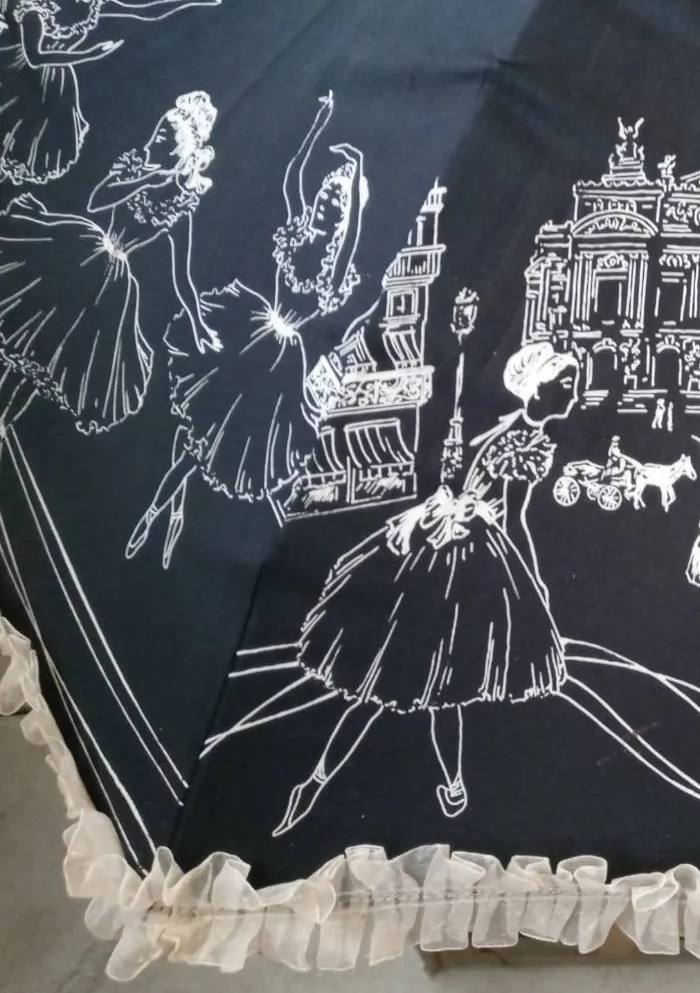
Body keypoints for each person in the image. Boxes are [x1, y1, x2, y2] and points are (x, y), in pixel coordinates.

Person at [273, 342, 580, 835]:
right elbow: (514, 521)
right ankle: (440, 786)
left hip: (447, 549)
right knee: (435, 684)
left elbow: (476, 492)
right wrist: (534, 582)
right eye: (566, 383)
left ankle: (323, 782)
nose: (574, 393)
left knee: (402, 685)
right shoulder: (525, 440)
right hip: (463, 558)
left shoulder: (508, 430)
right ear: (538, 390)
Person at [126, 93, 368, 568]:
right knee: (199, 425)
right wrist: (317, 124)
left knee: (206, 441)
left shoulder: (333, 270)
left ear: (342, 218)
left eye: (335, 202)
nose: (325, 200)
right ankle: (167, 511)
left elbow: (354, 230)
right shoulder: (298, 231)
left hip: (276, 362)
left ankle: (160, 511)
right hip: (247, 328)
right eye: (326, 193)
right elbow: (294, 173)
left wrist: (356, 174)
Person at [0, 91, 219, 435]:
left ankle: (4, 422)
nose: (154, 138)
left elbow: (182, 277)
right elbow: (96, 201)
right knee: (28, 323)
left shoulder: (179, 206)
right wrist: (146, 179)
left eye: (164, 137)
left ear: (179, 151)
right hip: (82, 249)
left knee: (50, 354)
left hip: (110, 286)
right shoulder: (135, 168)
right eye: (158, 130)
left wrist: (198, 323)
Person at [0, 0, 231, 187]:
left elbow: (144, 12)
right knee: (14, 122)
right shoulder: (42, 7)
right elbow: (35, 57)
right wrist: (89, 54)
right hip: (19, 70)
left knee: (36, 140)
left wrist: (197, 0)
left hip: (57, 85)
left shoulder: (92, 6)